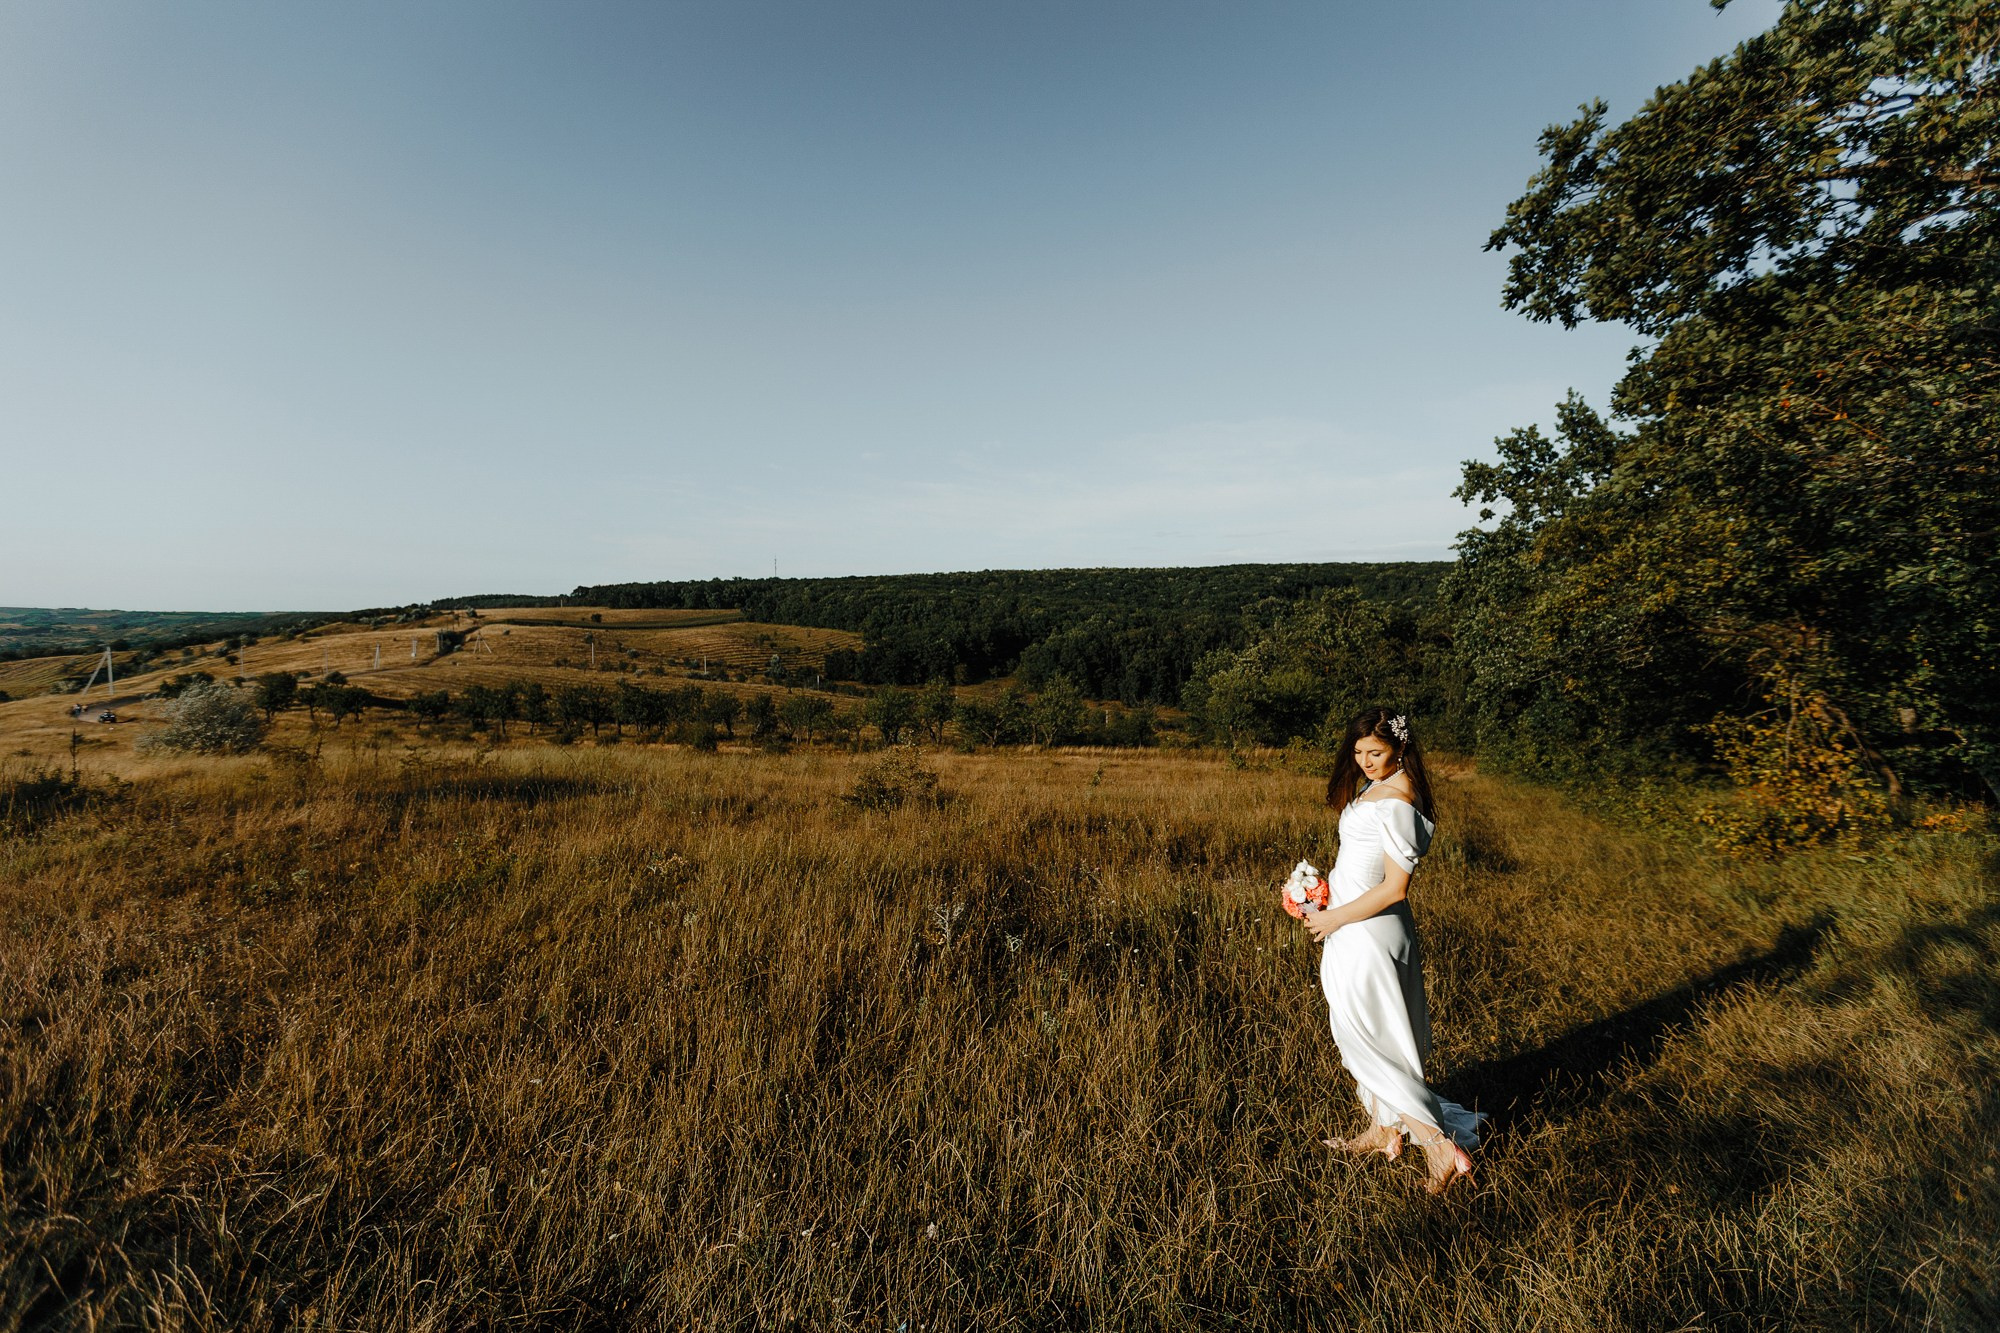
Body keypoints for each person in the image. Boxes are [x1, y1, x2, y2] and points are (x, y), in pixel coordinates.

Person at [1300, 707, 1485, 1193]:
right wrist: (1316, 892)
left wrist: (1334, 916)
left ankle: (1438, 1145)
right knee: (1370, 1032)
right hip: (1352, 922)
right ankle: (1383, 1130)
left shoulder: (1399, 799)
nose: (1365, 761)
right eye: (1358, 752)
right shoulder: (1379, 787)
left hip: (1369, 930)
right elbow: (1359, 863)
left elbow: (1395, 887)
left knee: (1365, 1038)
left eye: (1376, 752)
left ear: (1400, 748)